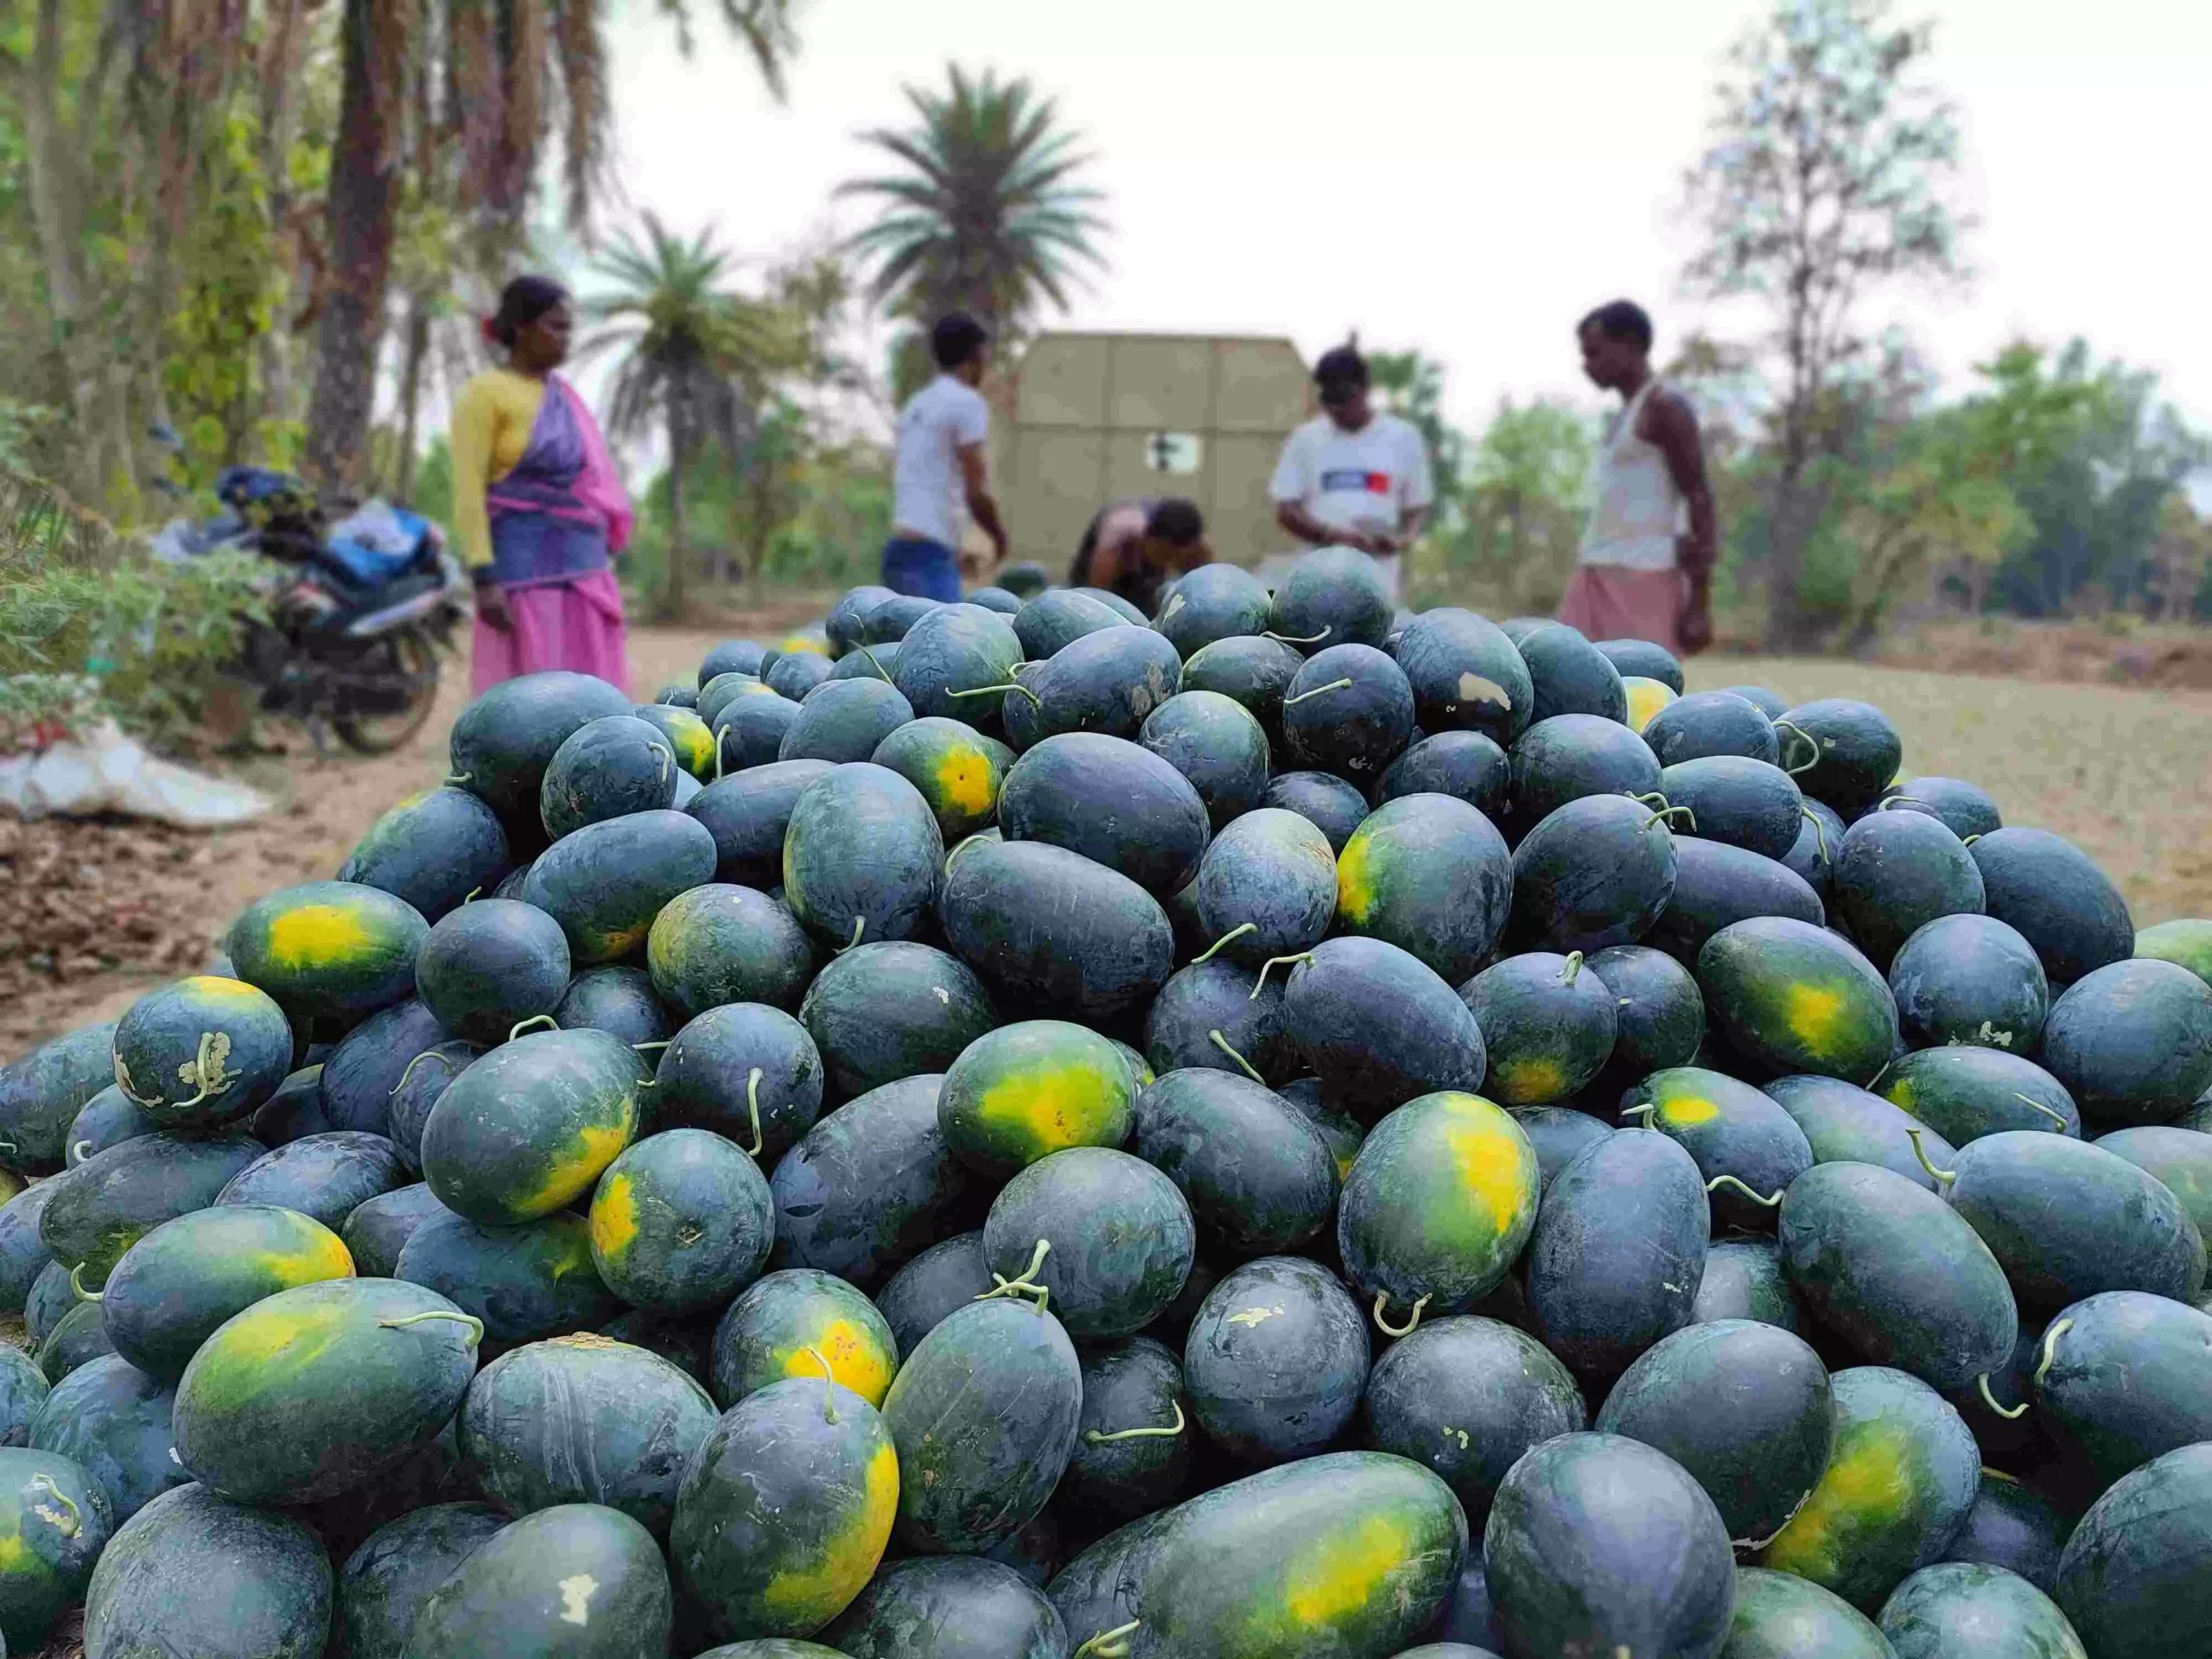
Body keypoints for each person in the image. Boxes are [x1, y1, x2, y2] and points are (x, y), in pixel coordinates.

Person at [450, 275, 633, 694]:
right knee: (532, 704)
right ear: (521, 328)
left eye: (570, 327)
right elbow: (468, 492)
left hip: (584, 575)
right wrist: (484, 577)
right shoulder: (485, 394)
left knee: (593, 701)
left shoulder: (566, 398)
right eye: (556, 326)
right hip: (523, 581)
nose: (566, 338)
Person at [1558, 299, 1718, 655]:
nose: (1587, 365)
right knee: (1562, 679)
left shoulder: (1666, 407)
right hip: (1597, 566)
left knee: (1641, 691)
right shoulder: (1624, 415)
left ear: (1630, 345)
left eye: (1595, 353)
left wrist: (1699, 602)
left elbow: (1699, 497)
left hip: (1643, 575)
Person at [1268, 343, 1434, 600]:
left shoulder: (1403, 438)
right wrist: (1329, 535)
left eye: (1344, 398)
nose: (1336, 408)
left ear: (1366, 390)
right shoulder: (1306, 439)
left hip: (1380, 580)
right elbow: (1285, 509)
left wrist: (1401, 540)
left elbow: (1417, 508)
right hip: (1318, 579)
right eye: (1328, 399)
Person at [883, 313, 1010, 600]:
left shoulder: (916, 405)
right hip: (929, 557)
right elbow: (976, 492)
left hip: (899, 551)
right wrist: (999, 539)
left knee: (896, 645)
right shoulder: (967, 403)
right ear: (976, 354)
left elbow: (923, 483)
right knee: (945, 641)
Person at [1067, 496, 1211, 618]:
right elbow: (1094, 597)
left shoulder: (1198, 547)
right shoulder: (1119, 538)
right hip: (1098, 573)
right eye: (1165, 555)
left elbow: (1205, 594)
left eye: (1177, 559)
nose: (1168, 565)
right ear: (1149, 539)